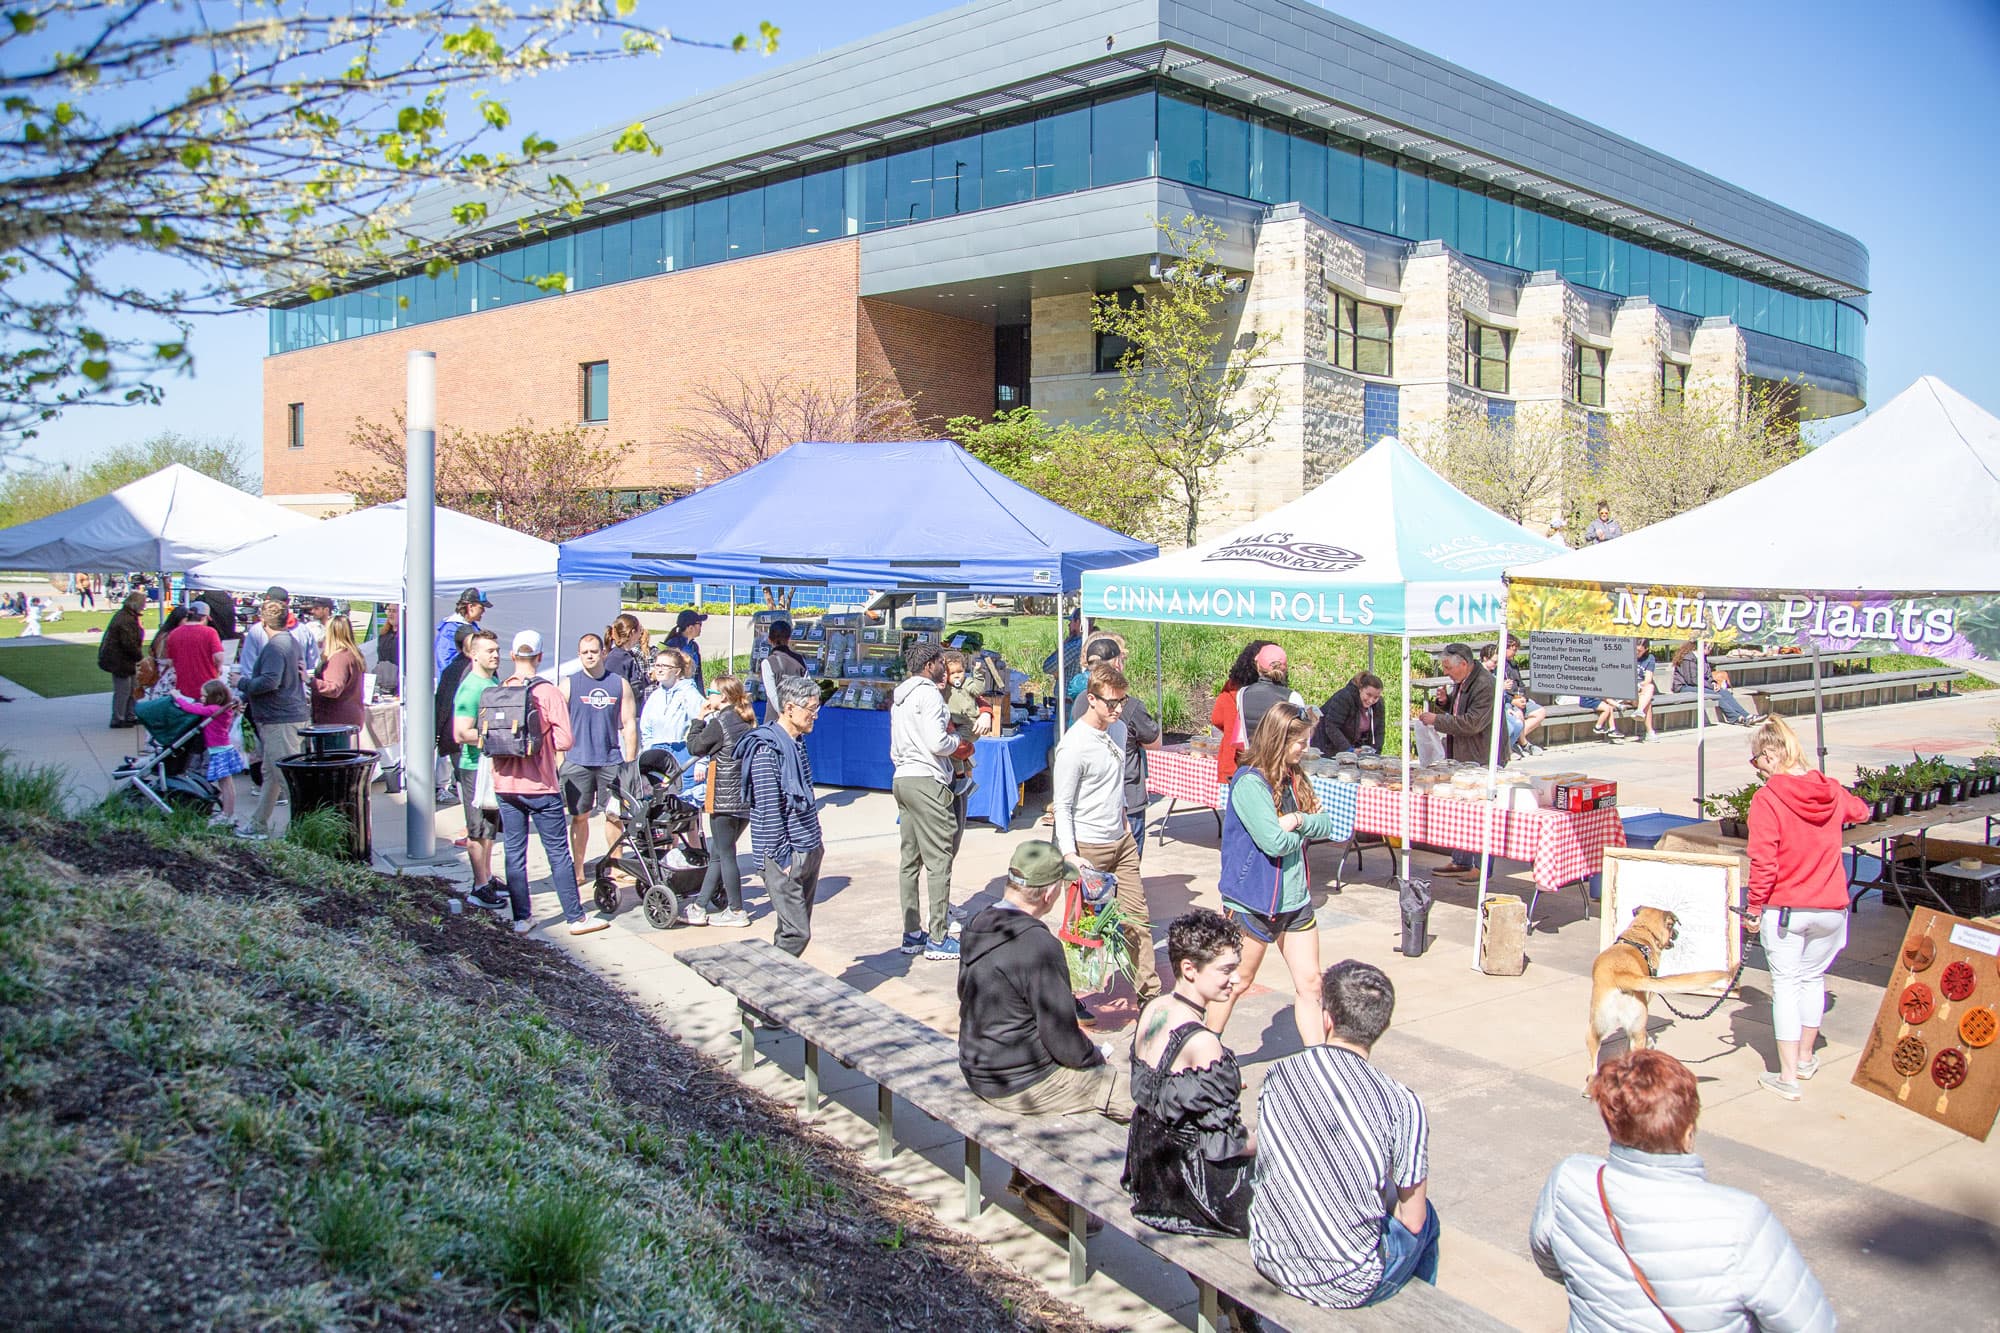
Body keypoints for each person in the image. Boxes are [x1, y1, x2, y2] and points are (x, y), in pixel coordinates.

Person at [1531, 1049, 1832, 1330]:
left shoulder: (1569, 1180)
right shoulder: (1742, 1221)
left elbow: (1550, 1259)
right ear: (1688, 1132)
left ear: (1612, 1123)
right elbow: (1810, 1325)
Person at [959, 840, 1134, 1226]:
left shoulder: (977, 924)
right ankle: (1162, 1196)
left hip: (978, 1065)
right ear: (1051, 893)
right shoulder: (1039, 944)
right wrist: (1096, 1059)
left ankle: (1037, 1180)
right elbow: (1063, 1042)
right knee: (1132, 1090)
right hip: (1019, 1081)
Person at [1250, 960, 1437, 1309]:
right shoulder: (1403, 1103)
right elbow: (1413, 1221)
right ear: (1382, 1026)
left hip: (1270, 1254)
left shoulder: (1281, 1074)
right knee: (1427, 1221)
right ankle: (1418, 1313)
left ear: (1327, 1019)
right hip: (1347, 1281)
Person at [1745, 715, 1871, 1100]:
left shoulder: (1767, 799)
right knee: (1813, 979)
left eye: (1756, 761)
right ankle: (1804, 1058)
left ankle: (1787, 1077)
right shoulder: (1830, 790)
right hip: (1831, 905)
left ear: (1770, 755)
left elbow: (1764, 862)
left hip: (1786, 907)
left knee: (1785, 985)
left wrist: (1754, 907)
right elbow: (1862, 810)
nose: (1757, 770)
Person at [1206, 702, 1334, 1048]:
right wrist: (1301, 829)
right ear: (1279, 739)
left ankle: (1318, 1058)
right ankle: (1204, 1052)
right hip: (1253, 900)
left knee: (1311, 983)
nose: (1304, 749)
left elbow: (1327, 823)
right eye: (1300, 743)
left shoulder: (1295, 777)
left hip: (1296, 901)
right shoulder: (1250, 783)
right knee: (1238, 981)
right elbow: (1273, 842)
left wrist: (1296, 820)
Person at [1123, 909, 1257, 1239]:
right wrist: (1269, 1141)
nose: (1236, 979)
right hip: (1188, 1188)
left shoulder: (1154, 1008)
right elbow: (1223, 1143)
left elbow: (1158, 1089)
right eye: (1226, 970)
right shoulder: (1203, 1042)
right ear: (1189, 969)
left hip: (1147, 1166)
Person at [1055, 663, 1159, 1005]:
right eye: (1110, 702)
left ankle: (1149, 993)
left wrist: (1125, 817)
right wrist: (1071, 855)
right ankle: (1073, 997)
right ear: (1091, 700)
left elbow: (1116, 783)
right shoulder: (1074, 746)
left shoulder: (1119, 729)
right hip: (1087, 847)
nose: (1117, 709)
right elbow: (1063, 805)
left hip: (1121, 841)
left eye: (1121, 701)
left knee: (1137, 918)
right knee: (1083, 928)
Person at [492, 629, 601, 936]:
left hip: (505, 784)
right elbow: (566, 739)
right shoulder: (548, 692)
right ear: (539, 658)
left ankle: (521, 917)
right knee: (557, 852)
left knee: (514, 851)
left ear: (513, 656)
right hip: (540, 785)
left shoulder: (501, 689)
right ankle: (575, 917)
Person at [735, 674, 825, 956]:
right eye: (810, 709)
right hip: (785, 856)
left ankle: (782, 981)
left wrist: (815, 845)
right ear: (789, 708)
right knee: (796, 933)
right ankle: (772, 988)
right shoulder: (766, 750)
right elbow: (768, 809)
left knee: (791, 928)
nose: (815, 716)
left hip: (808, 847)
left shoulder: (796, 743)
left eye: (816, 709)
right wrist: (783, 859)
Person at [892, 641, 964, 961]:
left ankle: (912, 933)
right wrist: (958, 742)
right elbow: (937, 742)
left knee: (910, 861)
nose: (945, 669)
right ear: (929, 664)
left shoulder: (900, 697)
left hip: (902, 779)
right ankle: (938, 936)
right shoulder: (929, 694)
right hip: (926, 781)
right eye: (940, 663)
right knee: (939, 860)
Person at [1419, 643, 1505, 878]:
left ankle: (1481, 867)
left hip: (1483, 757)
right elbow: (1459, 712)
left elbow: (1471, 723)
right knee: (1462, 812)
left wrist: (1437, 719)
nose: (1446, 672)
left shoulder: (1484, 685)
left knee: (1481, 813)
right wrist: (1445, 704)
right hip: (1465, 755)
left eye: (1448, 667)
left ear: (1464, 664)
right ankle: (1461, 860)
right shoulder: (1465, 680)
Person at [560, 632, 639, 880]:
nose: (590, 656)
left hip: (611, 760)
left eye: (594, 651)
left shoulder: (619, 683)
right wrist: (559, 760)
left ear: (603, 652)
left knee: (614, 815)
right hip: (578, 760)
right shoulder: (569, 684)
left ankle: (616, 865)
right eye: (585, 652)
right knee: (579, 816)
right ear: (579, 655)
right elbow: (556, 724)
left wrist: (629, 761)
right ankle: (578, 868)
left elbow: (629, 724)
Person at [685, 674, 757, 927]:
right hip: (743, 797)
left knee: (725, 854)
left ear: (723, 696)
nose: (708, 697)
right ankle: (699, 905)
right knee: (718, 852)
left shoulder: (721, 722)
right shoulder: (745, 719)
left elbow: (695, 747)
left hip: (724, 796)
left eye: (712, 693)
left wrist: (698, 718)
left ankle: (737, 910)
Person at [238, 599, 311, 839]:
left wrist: (242, 683)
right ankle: (258, 823)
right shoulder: (291, 642)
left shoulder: (275, 647)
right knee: (271, 774)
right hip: (287, 715)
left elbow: (270, 680)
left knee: (286, 776)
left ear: (262, 621)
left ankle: (308, 827)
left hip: (280, 719)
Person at [452, 629, 506, 911]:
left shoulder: (493, 680)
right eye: (489, 651)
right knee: (477, 831)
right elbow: (460, 732)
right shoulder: (471, 687)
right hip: (474, 766)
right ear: (474, 655)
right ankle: (478, 887)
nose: (495, 655)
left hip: (490, 765)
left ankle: (487, 878)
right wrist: (499, 737)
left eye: (497, 650)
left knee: (489, 829)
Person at [1210, 640, 1277, 782]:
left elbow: (1216, 718)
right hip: (1261, 764)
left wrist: (1231, 730)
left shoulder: (1231, 687)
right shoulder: (1274, 694)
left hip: (1229, 761)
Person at [638, 646, 704, 786]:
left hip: (682, 754)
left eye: (665, 666)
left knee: (683, 799)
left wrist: (702, 762)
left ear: (677, 671)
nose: (659, 669)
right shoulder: (655, 697)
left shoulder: (690, 694)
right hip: (657, 754)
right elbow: (646, 729)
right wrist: (648, 752)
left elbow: (704, 727)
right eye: (657, 665)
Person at [432, 621, 479, 803]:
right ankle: (475, 824)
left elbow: (441, 704)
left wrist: (439, 732)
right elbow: (443, 703)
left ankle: (473, 822)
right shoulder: (471, 671)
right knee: (469, 783)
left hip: (453, 734)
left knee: (465, 781)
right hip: (466, 735)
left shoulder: (450, 670)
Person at [190, 678, 247, 820]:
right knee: (227, 784)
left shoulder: (213, 710)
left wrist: (177, 698)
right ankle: (228, 812)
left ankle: (227, 814)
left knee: (225, 784)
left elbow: (191, 708)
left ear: (215, 697)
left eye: (204, 696)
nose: (201, 698)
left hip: (219, 751)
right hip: (224, 749)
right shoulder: (224, 708)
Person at [1481, 643, 1546, 757]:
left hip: (1505, 702)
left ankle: (1510, 747)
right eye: (1494, 662)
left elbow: (1519, 684)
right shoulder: (1480, 674)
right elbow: (1484, 695)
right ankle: (1511, 749)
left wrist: (1521, 697)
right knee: (1513, 723)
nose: (1496, 665)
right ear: (1485, 658)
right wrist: (1502, 690)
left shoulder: (1509, 666)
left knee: (1518, 724)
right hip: (1492, 708)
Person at [1671, 639, 1755, 726]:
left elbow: (1708, 674)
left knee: (1724, 692)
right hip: (1684, 687)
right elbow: (1692, 680)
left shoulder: (1703, 657)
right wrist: (1711, 686)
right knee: (1715, 695)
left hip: (1700, 685)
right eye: (1709, 647)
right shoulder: (1688, 658)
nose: (1711, 649)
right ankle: (1734, 717)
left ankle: (1747, 715)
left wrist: (1713, 683)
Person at [1237, 643, 1306, 746]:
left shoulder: (1242, 693)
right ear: (1285, 669)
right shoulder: (1293, 697)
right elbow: (1300, 737)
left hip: (1250, 758)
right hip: (1278, 760)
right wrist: (1312, 721)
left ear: (1258, 666)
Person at [308, 614, 368, 731]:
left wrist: (310, 680)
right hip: (348, 717)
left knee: (336, 750)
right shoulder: (353, 654)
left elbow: (334, 689)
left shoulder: (339, 658)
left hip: (335, 722)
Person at [1593, 638, 1659, 742]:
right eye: (1635, 650)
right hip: (1622, 691)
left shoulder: (1649, 658)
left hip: (1639, 691)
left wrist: (1638, 686)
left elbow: (1648, 679)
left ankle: (1640, 711)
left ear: (1646, 649)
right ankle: (1649, 731)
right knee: (1647, 702)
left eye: (1639, 651)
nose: (1636, 653)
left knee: (1650, 687)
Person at [99, 591, 149, 728]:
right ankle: (118, 718)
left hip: (125, 660)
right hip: (120, 660)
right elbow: (129, 643)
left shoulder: (126, 616)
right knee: (123, 691)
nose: (144, 607)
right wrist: (141, 658)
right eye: (143, 604)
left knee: (131, 688)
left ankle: (128, 715)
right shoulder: (125, 619)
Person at [1313, 672, 1385, 755]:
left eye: (1376, 697)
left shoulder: (1379, 704)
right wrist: (1348, 749)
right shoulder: (1344, 698)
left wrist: (1375, 753)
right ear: (1360, 689)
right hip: (1327, 745)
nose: (1371, 700)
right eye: (1368, 695)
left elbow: (1379, 731)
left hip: (1354, 747)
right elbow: (1331, 726)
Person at [434, 586, 491, 683]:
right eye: (481, 607)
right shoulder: (450, 630)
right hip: (455, 685)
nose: (484, 611)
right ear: (470, 607)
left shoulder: (472, 626)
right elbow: (445, 660)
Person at [602, 613, 651, 705]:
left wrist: (649, 678)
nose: (641, 634)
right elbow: (616, 690)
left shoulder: (628, 655)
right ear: (632, 633)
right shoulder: (616, 659)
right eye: (640, 630)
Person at [1041, 607, 1085, 703]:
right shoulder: (1092, 641)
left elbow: (1048, 666)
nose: (1069, 625)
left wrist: (1062, 646)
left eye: (1071, 621)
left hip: (1068, 701)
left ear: (1078, 622)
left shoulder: (1075, 645)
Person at [664, 608, 708, 694]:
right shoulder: (673, 645)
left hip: (692, 689)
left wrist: (701, 694)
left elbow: (698, 675)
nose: (701, 627)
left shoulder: (694, 646)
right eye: (699, 624)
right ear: (690, 628)